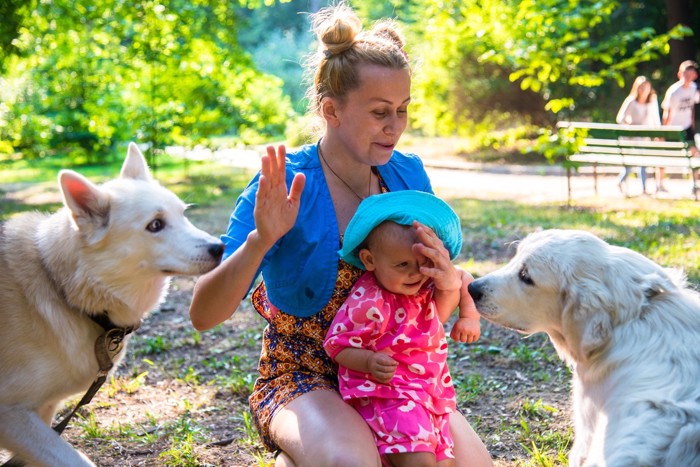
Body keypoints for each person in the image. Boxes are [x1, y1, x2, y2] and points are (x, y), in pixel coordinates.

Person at [188, 3, 493, 466]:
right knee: (352, 461)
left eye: (403, 110)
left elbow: (433, 309)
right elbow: (203, 313)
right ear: (331, 110)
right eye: (379, 113)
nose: (395, 126)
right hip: (305, 378)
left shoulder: (408, 178)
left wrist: (448, 279)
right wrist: (261, 240)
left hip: (398, 381)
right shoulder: (283, 183)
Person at [324, 191, 481, 467]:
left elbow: (461, 278)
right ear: (370, 260)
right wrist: (369, 361)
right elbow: (337, 345)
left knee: (443, 460)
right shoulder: (369, 301)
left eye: (423, 264)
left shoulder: (428, 281)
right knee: (419, 460)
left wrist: (469, 315)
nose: (415, 273)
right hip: (389, 393)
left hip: (430, 394)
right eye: (403, 265)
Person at [658, 60, 700, 194]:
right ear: (679, 74)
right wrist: (663, 132)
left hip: (686, 126)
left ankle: (693, 183)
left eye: (690, 75)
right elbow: (667, 113)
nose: (688, 78)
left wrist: (692, 124)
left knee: (694, 152)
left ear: (694, 76)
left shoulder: (694, 89)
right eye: (685, 75)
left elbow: (692, 107)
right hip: (673, 128)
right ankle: (660, 183)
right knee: (664, 155)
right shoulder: (674, 91)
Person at [615, 76, 661, 195]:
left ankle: (643, 188)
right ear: (637, 88)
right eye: (641, 87)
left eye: (646, 87)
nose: (644, 89)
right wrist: (630, 125)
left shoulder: (652, 100)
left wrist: (658, 133)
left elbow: (656, 118)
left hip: (645, 137)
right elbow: (620, 119)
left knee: (642, 162)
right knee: (633, 162)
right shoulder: (631, 100)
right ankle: (623, 181)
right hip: (633, 137)